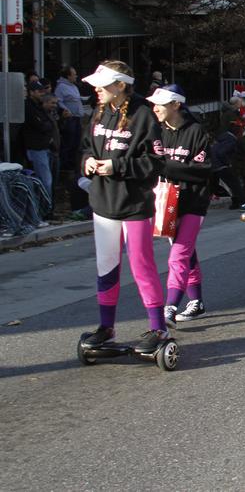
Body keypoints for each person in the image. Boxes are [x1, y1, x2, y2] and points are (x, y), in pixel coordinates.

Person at [78, 61, 167, 353]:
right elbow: (86, 149)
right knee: (106, 266)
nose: (96, 90)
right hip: (103, 203)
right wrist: (88, 163)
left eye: (101, 85)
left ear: (120, 85)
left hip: (134, 204)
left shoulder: (144, 115)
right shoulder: (99, 112)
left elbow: (155, 162)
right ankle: (107, 327)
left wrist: (117, 165)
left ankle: (158, 327)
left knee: (141, 265)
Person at [149, 85, 214, 326]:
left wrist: (164, 167)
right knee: (186, 252)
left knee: (178, 255)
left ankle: (170, 306)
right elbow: (149, 162)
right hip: (166, 202)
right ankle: (196, 302)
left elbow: (202, 170)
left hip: (193, 202)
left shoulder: (196, 131)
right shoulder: (156, 131)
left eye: (161, 104)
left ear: (176, 105)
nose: (155, 108)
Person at [21, 81, 58, 206]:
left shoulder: (39, 106)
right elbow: (41, 125)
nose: (42, 93)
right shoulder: (28, 107)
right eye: (38, 91)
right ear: (31, 92)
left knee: (49, 180)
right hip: (36, 148)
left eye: (43, 90)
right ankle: (44, 209)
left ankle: (47, 207)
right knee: (45, 180)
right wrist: (49, 124)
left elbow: (49, 124)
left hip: (47, 147)